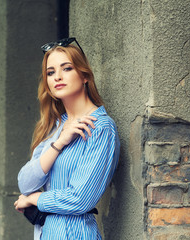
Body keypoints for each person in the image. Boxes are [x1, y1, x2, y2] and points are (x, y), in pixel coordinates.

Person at [14, 37, 120, 240]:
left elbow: (80, 199)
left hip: (76, 234)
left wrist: (36, 199)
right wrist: (59, 143)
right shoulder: (56, 126)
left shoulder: (101, 128)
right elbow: (25, 183)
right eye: (51, 72)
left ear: (85, 75)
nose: (57, 77)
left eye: (67, 68)